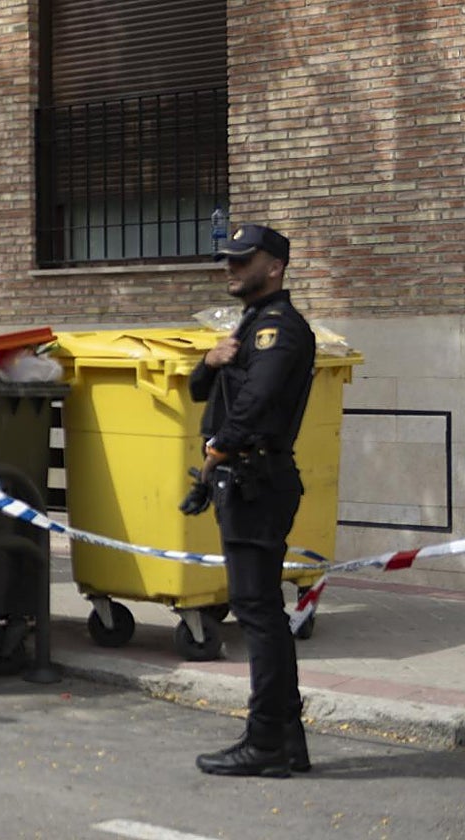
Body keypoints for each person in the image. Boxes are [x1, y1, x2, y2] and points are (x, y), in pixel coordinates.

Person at [185, 224, 315, 777]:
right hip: (245, 480)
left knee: (258, 615)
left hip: (256, 481)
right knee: (262, 613)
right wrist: (209, 361)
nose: (232, 267)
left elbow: (257, 401)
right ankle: (285, 740)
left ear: (275, 267)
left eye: (244, 259)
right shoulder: (250, 324)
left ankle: (266, 744)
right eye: (229, 259)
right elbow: (198, 390)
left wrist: (217, 451)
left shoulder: (278, 329)